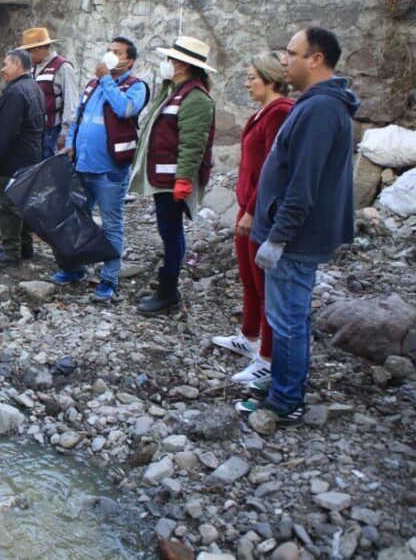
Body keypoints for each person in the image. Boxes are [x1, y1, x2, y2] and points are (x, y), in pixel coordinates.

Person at [236, 28, 358, 428]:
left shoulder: (320, 109)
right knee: (287, 315)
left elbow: (302, 184)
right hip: (293, 235)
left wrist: (277, 237)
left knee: (287, 319)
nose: (284, 60)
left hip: (295, 239)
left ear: (316, 59)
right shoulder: (315, 105)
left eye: (291, 53)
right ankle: (283, 385)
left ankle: (287, 400)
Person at [211, 51, 293, 384]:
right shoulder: (263, 112)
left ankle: (267, 358)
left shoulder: (280, 113)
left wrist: (250, 210)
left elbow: (274, 169)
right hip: (247, 208)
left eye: (251, 77)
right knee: (248, 278)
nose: (247, 84)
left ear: (270, 78)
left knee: (264, 286)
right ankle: (249, 336)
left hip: (259, 213)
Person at [53, 36, 149, 302]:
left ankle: (109, 279)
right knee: (79, 220)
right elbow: (78, 117)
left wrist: (107, 79)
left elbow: (124, 109)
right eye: (108, 50)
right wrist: (71, 143)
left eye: (116, 52)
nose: (110, 55)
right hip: (83, 165)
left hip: (110, 171)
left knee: (111, 225)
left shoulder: (136, 86)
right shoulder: (93, 84)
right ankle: (76, 268)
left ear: (129, 60)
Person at [128, 36, 217, 316]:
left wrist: (183, 179)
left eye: (170, 60)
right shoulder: (174, 91)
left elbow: (192, 143)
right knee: (168, 231)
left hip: (172, 179)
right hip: (164, 177)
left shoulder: (196, 98)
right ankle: (166, 289)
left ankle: (168, 291)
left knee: (171, 232)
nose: (166, 64)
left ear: (180, 64)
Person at [0, 48, 44, 266]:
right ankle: (26, 247)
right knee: (25, 203)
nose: (1, 69)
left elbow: (5, 129)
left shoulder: (15, 92)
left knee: (9, 206)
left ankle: (10, 252)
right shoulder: (34, 88)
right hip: (31, 156)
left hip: (14, 159)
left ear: (18, 65)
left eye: (6, 64)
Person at [20, 27, 79, 160]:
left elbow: (71, 101)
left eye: (29, 51)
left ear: (39, 48)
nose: (27, 55)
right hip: (34, 130)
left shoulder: (63, 67)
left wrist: (65, 132)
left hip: (52, 130)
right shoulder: (32, 67)